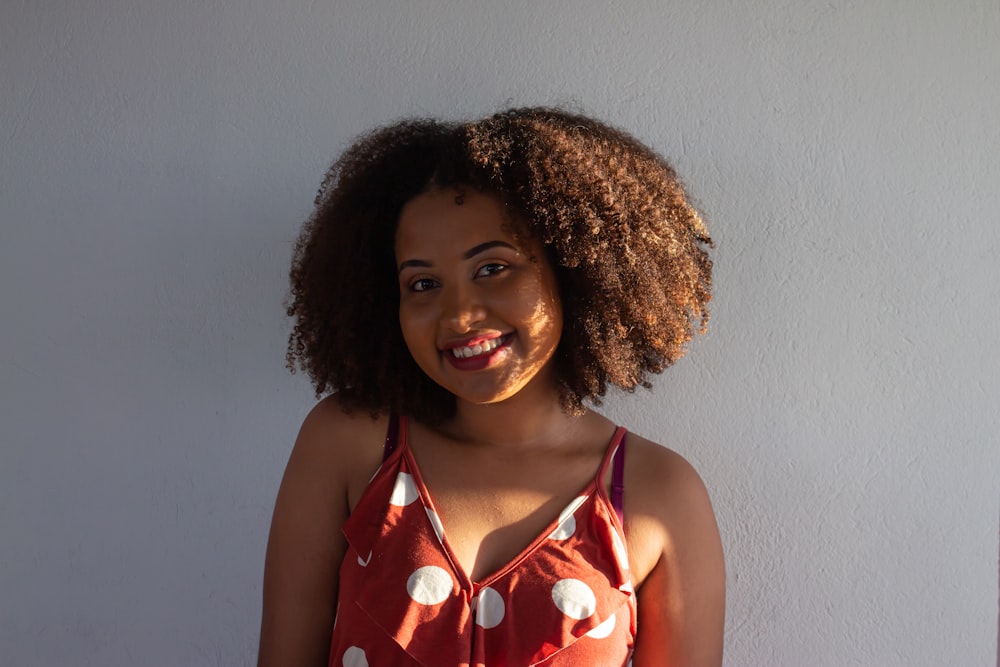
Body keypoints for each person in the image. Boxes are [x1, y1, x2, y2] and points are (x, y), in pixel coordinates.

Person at [258, 108, 725, 667]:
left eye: (492, 269)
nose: (458, 314)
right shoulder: (349, 444)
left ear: (572, 269)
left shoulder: (658, 493)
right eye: (423, 283)